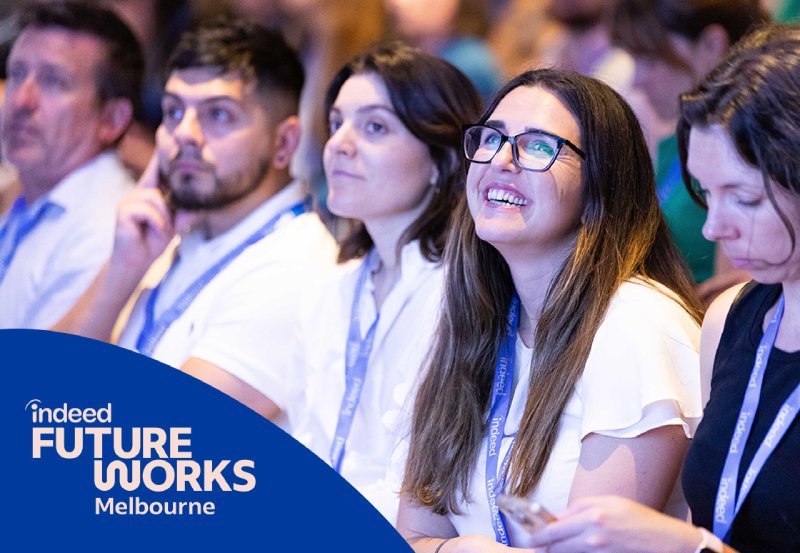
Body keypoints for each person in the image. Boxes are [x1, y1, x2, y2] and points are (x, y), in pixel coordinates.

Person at [397, 68, 707, 551]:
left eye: (538, 147)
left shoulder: (636, 325)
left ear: (600, 190)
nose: (501, 161)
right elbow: (412, 534)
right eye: (492, 140)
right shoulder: (480, 319)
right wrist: (457, 549)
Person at [525, 23, 800, 553]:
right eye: (705, 193)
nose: (714, 228)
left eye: (742, 197)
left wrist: (685, 547)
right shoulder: (731, 318)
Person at [53, 18, 337, 426]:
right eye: (172, 111)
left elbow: (161, 440)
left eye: (218, 114)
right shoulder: (173, 234)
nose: (183, 134)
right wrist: (121, 271)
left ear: (285, 142)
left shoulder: (296, 267)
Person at [286, 42, 483, 524]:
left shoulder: (461, 296)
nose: (339, 145)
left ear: (442, 161)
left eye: (374, 127)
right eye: (336, 124)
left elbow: (427, 492)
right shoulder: (333, 287)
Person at [611, 0, 768, 296]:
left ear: (712, 43)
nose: (637, 80)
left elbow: (734, 299)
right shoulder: (681, 141)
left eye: (651, 60)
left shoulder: (745, 147)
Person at [0, 1, 142, 328]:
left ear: (113, 119)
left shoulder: (107, 231)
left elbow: (38, 374)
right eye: (17, 73)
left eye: (53, 81)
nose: (22, 100)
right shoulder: (32, 197)